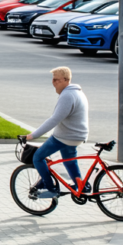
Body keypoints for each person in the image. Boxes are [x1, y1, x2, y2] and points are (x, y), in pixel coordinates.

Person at [26, 67, 90, 199]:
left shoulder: (67, 95)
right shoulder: (77, 92)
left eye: (56, 80)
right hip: (77, 135)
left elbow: (55, 119)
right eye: (52, 79)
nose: (53, 82)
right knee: (69, 161)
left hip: (65, 136)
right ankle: (81, 187)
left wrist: (33, 135)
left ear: (66, 80)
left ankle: (51, 188)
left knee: (38, 157)